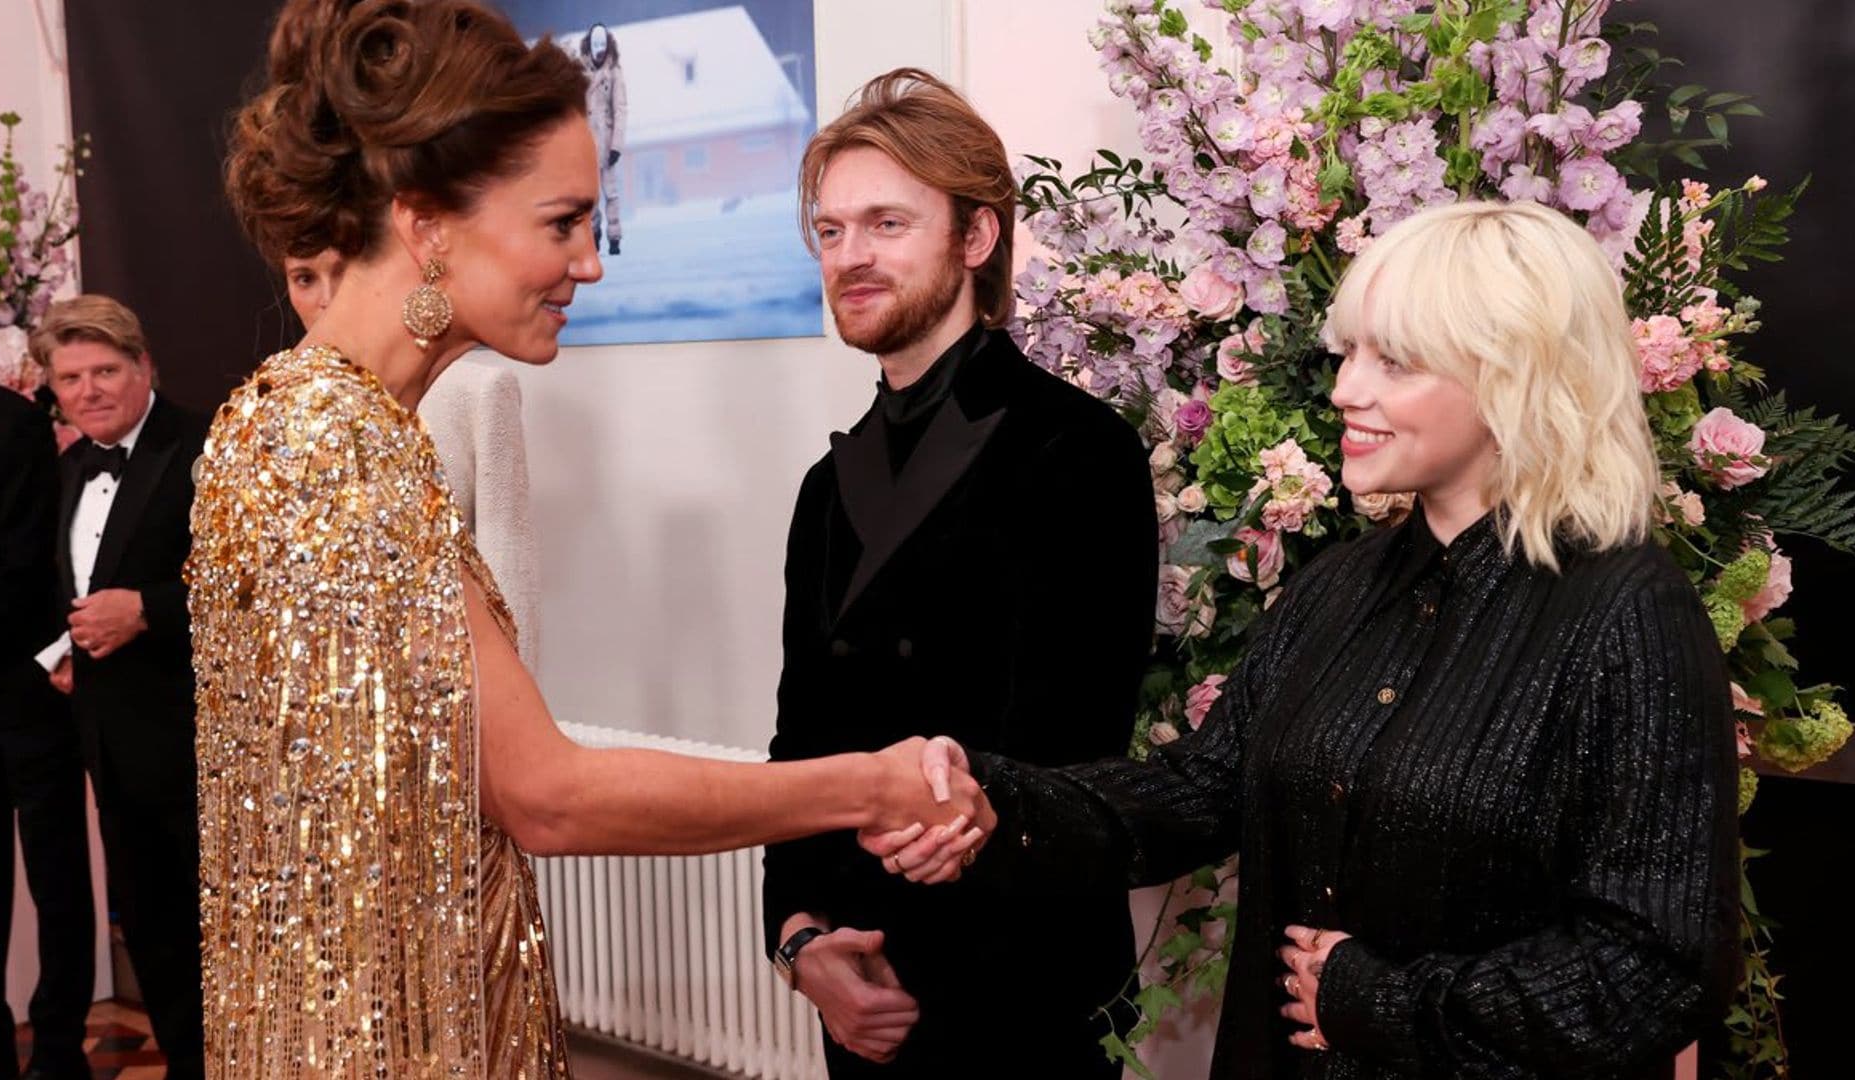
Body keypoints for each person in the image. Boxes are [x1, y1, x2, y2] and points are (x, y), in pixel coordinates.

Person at [210, 3, 982, 1076]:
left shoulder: (304, 422)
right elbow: (546, 795)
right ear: (429, 222)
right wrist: (875, 784)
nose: (590, 264)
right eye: (561, 221)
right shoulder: (332, 444)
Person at [872, 200, 1741, 1079]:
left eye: (1394, 361)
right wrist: (996, 803)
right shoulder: (1339, 583)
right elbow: (1199, 788)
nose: (1345, 389)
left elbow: (1660, 967)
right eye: (1351, 352)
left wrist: (1378, 1003)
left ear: (1514, 378)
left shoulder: (1628, 612)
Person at [763, 68, 1157, 1078]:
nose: (849, 257)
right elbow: (798, 741)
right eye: (831, 230)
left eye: (887, 224)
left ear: (975, 240)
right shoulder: (826, 484)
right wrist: (804, 943)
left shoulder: (1080, 451)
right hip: (860, 990)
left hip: (1020, 999)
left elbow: (1073, 756)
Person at [28, 295, 210, 1079]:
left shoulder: (205, 446)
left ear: (146, 370)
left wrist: (150, 610)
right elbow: (51, 586)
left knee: (217, 924)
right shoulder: (67, 469)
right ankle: (185, 1063)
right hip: (111, 735)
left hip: (202, 735)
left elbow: (257, 584)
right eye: (72, 377)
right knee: (149, 919)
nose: (90, 389)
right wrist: (55, 651)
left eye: (106, 370)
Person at [286, 249, 543, 668]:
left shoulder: (475, 392)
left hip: (454, 691)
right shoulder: (276, 411)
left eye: (343, 273)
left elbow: (509, 571)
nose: (327, 298)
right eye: (304, 279)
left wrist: (518, 714)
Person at [0, 373, 94, 1080]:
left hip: (25, 693)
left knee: (56, 879)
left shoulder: (10, 423)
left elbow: (19, 571)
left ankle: (56, 1048)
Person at [580, 22, 626, 256]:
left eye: (602, 44)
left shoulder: (615, 74)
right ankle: (594, 234)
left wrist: (616, 145)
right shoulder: (580, 74)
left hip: (607, 143)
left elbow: (620, 109)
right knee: (591, 194)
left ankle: (615, 238)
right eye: (595, 44)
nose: (599, 49)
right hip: (587, 144)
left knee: (611, 193)